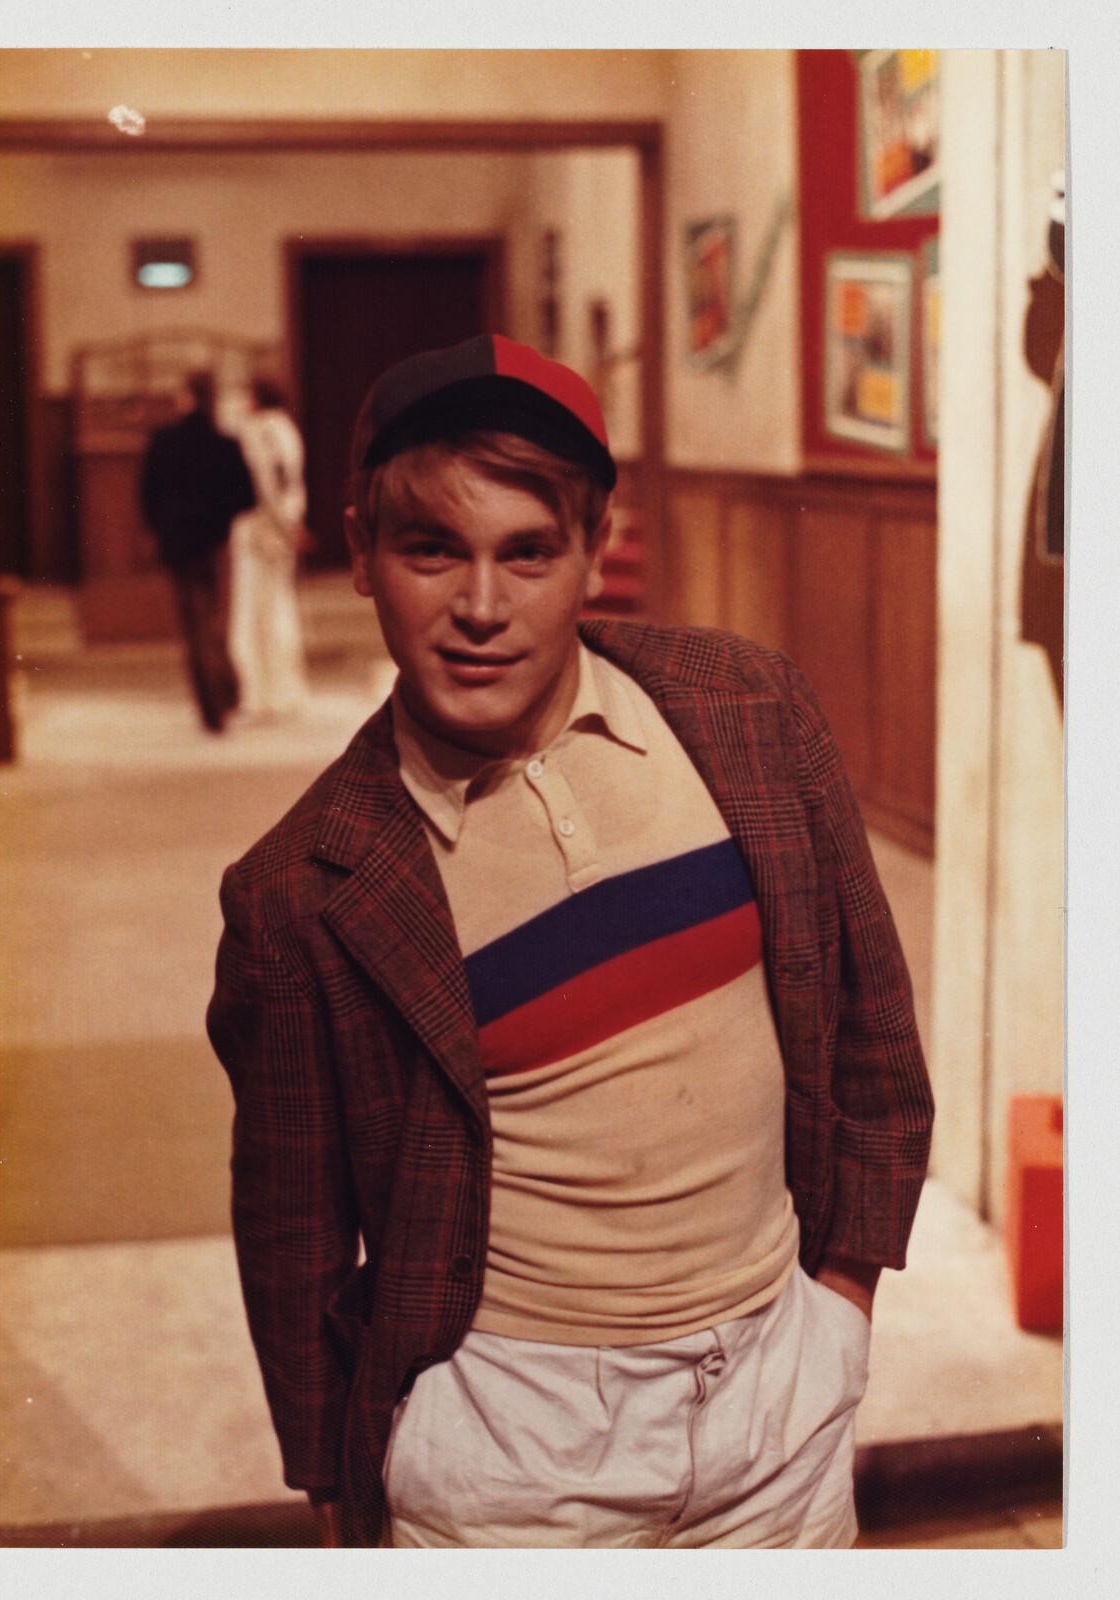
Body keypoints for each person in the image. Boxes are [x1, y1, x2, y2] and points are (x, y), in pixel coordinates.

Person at [207, 334, 933, 1549]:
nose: (481, 607)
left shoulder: (749, 714)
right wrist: (340, 1483)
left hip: (779, 1397)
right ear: (360, 557)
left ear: (594, 555)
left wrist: (843, 1301)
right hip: (511, 1446)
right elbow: (292, 1229)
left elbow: (869, 1024)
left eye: (527, 552)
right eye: (432, 548)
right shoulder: (301, 891)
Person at [140, 370, 254, 732]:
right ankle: (230, 690)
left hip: (177, 543)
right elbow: (247, 496)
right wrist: (218, 515)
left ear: (186, 396)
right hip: (215, 542)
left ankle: (213, 710)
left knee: (194, 627)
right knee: (217, 622)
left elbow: (147, 494)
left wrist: (161, 526)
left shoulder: (164, 441)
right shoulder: (226, 443)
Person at [229, 378, 311, 720]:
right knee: (280, 608)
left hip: (260, 529)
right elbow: (290, 483)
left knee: (253, 614)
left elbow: (267, 483)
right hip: (283, 524)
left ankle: (260, 696)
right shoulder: (288, 430)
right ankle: (285, 692)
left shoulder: (258, 431)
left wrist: (281, 525)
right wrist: (292, 524)